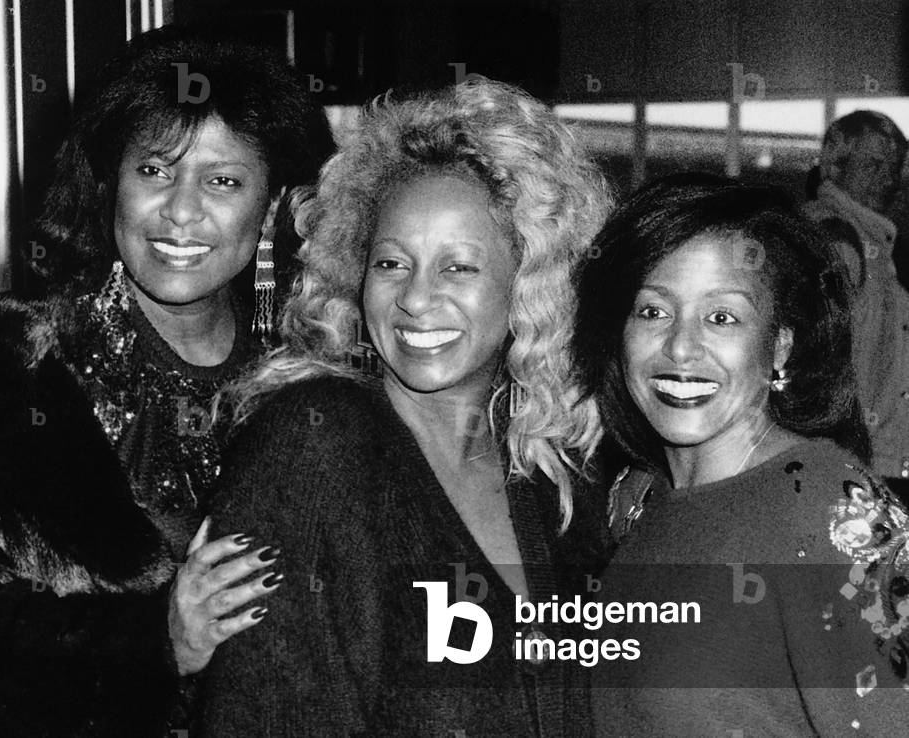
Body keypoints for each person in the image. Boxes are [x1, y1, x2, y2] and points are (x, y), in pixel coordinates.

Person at [0, 25, 332, 737]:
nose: (181, 211)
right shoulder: (2, 366)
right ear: (108, 182)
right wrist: (153, 641)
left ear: (274, 205)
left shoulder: (318, 376)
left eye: (222, 180)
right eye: (154, 170)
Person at [198, 78, 612, 736]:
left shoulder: (547, 466)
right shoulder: (313, 443)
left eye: (457, 268)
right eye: (391, 263)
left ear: (530, 281)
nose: (416, 300)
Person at [573, 173, 909, 735]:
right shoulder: (635, 501)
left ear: (780, 344)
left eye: (722, 317)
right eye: (652, 311)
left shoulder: (834, 512)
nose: (680, 346)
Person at [803, 111, 909, 491]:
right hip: (851, 469)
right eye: (874, 165)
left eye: (895, 167)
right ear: (834, 166)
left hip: (871, 461)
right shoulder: (836, 241)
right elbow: (811, 364)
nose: (890, 180)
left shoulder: (872, 242)